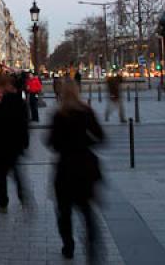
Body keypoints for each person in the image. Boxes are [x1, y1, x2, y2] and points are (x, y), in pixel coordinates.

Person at [48, 78, 104, 260]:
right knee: (86, 209)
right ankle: (92, 244)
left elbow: (52, 143)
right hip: (85, 167)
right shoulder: (87, 112)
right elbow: (101, 137)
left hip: (65, 169)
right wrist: (85, 142)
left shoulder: (59, 115)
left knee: (64, 212)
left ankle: (68, 245)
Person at [0, 73, 29, 213]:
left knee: (0, 176)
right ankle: (22, 195)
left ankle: (3, 203)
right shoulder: (21, 104)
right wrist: (24, 142)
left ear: (1, 87)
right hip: (14, 145)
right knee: (16, 171)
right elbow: (24, 125)